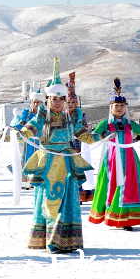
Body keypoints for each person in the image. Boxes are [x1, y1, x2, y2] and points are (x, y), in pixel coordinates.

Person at [19, 59, 104, 253]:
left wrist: (102, 136)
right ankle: (51, 240)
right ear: (48, 99)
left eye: (61, 99)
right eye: (54, 99)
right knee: (49, 199)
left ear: (65, 100)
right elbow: (30, 129)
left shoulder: (71, 117)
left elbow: (85, 136)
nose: (58, 102)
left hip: (67, 163)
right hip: (47, 163)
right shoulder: (41, 116)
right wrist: (21, 131)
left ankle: (66, 240)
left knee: (68, 200)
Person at [88, 78, 140, 230]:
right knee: (112, 186)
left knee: (129, 188)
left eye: (122, 106)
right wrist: (103, 134)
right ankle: (113, 214)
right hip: (112, 160)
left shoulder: (130, 124)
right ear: (111, 107)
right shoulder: (105, 124)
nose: (119, 108)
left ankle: (126, 218)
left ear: (125, 108)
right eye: (116, 106)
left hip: (130, 159)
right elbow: (92, 137)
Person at [65, 72, 95, 203]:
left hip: (78, 146)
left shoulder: (80, 115)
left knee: (78, 170)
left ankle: (81, 196)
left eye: (73, 102)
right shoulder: (61, 115)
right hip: (65, 146)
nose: (71, 104)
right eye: (68, 102)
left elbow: (84, 127)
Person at [10, 85, 46, 190]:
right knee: (27, 158)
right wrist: (16, 128)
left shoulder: (45, 114)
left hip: (41, 141)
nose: (36, 104)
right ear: (31, 102)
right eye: (34, 102)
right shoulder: (26, 113)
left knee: (41, 160)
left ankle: (39, 180)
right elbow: (21, 124)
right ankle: (26, 182)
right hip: (29, 140)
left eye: (38, 102)